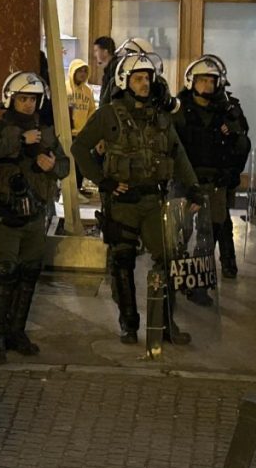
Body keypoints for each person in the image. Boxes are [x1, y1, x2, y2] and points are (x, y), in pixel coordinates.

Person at [71, 52, 203, 352]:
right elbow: (79, 148)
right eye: (138, 78)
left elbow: (178, 153)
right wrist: (102, 181)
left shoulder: (161, 117)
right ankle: (128, 324)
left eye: (148, 78)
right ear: (124, 81)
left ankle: (165, 324)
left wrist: (193, 187)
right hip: (123, 203)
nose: (145, 84)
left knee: (167, 259)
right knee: (122, 260)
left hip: (154, 200)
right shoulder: (108, 115)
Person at [0, 71, 70, 365]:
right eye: (23, 99)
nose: (29, 104)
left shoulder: (46, 132)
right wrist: (20, 139)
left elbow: (65, 165)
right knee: (4, 271)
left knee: (29, 272)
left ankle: (16, 332)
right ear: (11, 99)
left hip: (35, 215)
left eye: (33, 99)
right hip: (6, 216)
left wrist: (52, 166)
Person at [174, 55, 251, 280]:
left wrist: (232, 172)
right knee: (180, 232)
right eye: (202, 80)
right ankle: (176, 276)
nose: (207, 85)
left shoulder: (227, 111)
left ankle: (199, 280)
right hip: (185, 182)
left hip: (216, 182)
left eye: (211, 81)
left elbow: (242, 144)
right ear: (192, 81)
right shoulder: (178, 109)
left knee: (210, 234)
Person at [66, 58, 96, 197]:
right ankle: (66, 191)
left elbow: (92, 111)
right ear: (73, 72)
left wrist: (89, 129)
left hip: (82, 133)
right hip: (68, 132)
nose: (83, 74)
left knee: (80, 163)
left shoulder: (88, 91)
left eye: (85, 71)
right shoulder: (65, 88)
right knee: (68, 162)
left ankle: (77, 188)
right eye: (80, 71)